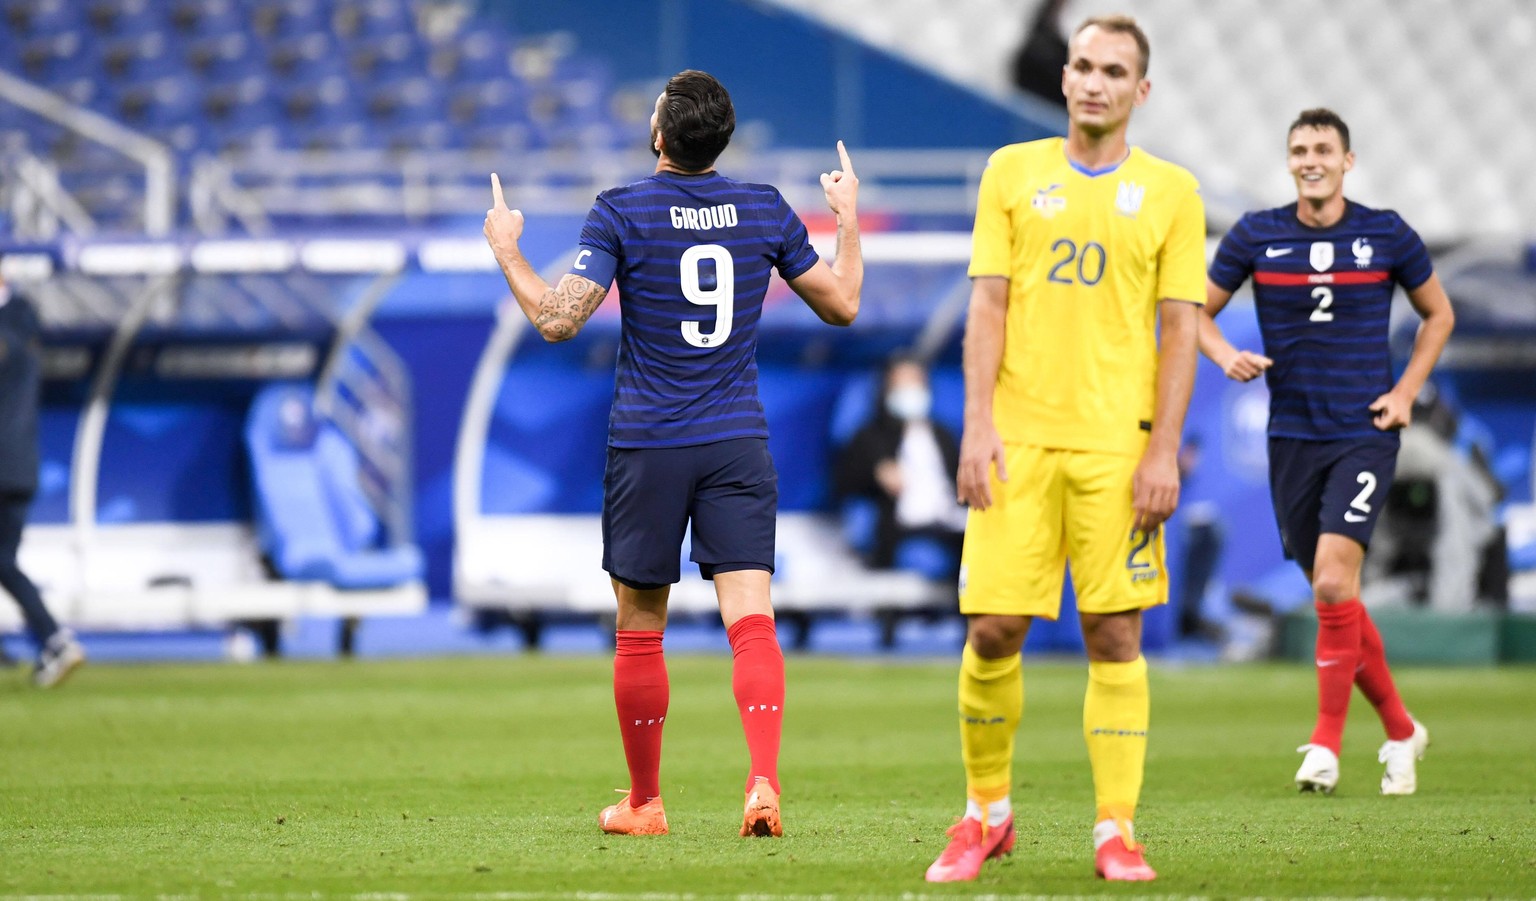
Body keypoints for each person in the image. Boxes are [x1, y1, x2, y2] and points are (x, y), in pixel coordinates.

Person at [483, 69, 862, 838]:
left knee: (640, 625)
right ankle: (762, 778)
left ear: (660, 134)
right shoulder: (763, 207)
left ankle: (646, 802)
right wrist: (846, 218)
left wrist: (507, 250)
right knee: (751, 619)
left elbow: (558, 320)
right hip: (735, 439)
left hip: (649, 443)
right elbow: (844, 303)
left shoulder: (621, 209)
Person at [928, 15, 1204, 884]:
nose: (1092, 82)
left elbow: (1181, 329)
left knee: (1115, 634)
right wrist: (975, 423)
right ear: (1066, 77)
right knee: (994, 626)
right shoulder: (1012, 171)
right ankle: (986, 812)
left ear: (1139, 91)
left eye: (1112, 71)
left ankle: (1115, 829)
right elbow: (987, 308)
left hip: (1116, 452)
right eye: (1082, 65)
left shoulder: (1172, 191)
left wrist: (1164, 451)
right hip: (1017, 441)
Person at [1200, 108, 1454, 795]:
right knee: (1331, 594)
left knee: (1336, 584)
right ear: (1289, 162)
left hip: (1363, 431)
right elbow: (1194, 309)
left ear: (1348, 161)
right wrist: (1223, 354)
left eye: (1324, 149)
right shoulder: (1258, 234)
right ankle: (1401, 729)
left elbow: (1440, 313)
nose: (1311, 159)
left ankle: (1325, 745)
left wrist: (1404, 394)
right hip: (1292, 438)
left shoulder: (1386, 233)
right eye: (1300, 149)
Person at [0, 267, 86, 688]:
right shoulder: (24, 322)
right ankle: (52, 639)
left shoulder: (9, 331)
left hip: (3, 466)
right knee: (2, 559)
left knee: (2, 560)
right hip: (21, 466)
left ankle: (54, 637)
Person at [833, 353, 965, 572]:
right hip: (902, 526)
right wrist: (876, 474)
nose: (910, 391)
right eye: (902, 385)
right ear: (886, 390)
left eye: (915, 383)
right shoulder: (870, 436)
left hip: (949, 519)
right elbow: (842, 482)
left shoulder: (943, 435)